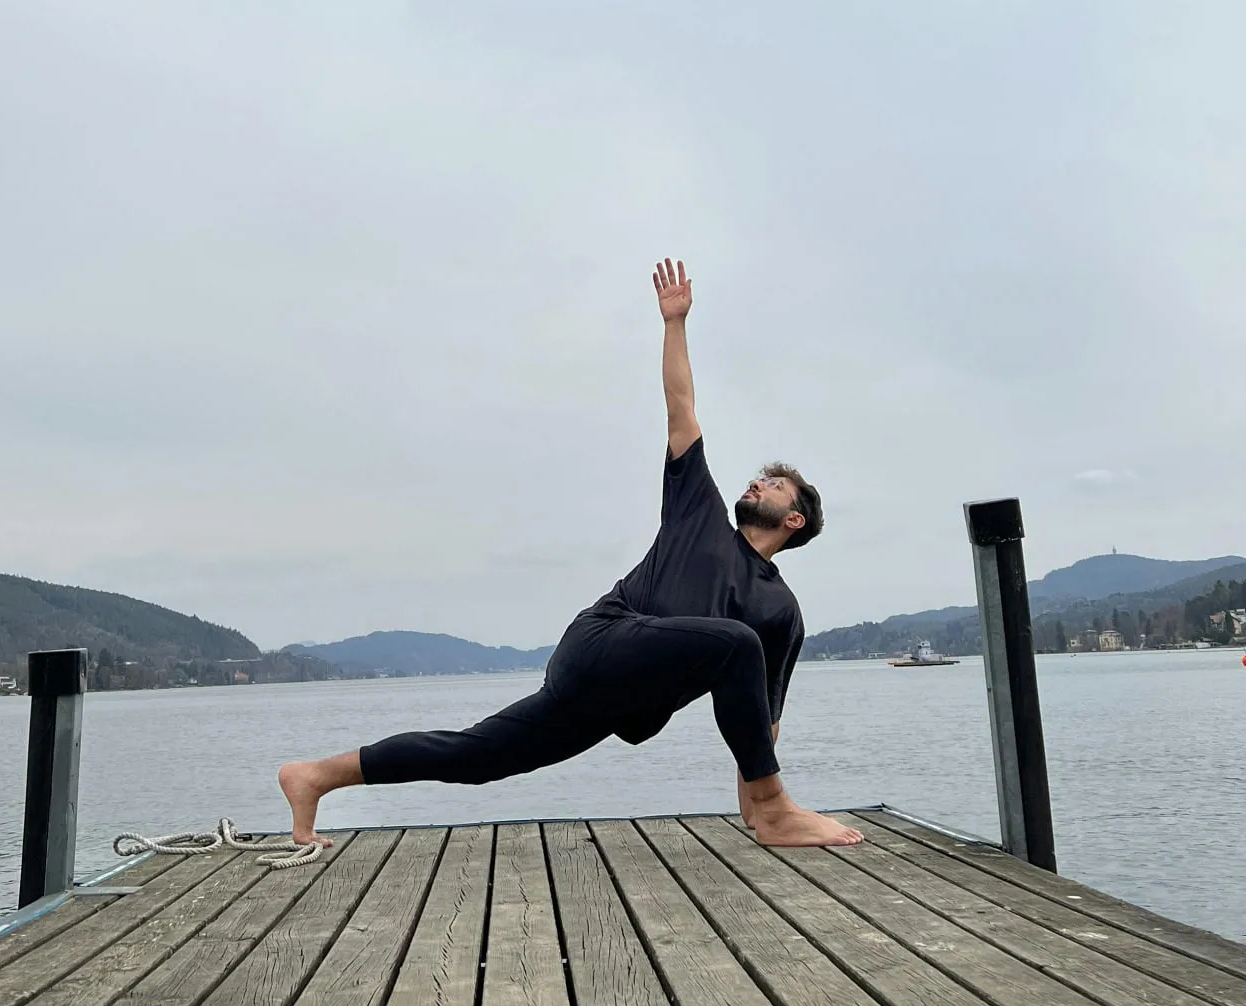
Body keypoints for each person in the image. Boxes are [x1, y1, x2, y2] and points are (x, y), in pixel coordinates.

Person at [278, 258, 863, 849]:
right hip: (601, 643)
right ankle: (773, 809)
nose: (756, 484)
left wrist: (755, 811)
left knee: (480, 756)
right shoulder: (699, 510)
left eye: (774, 485)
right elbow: (681, 405)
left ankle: (314, 778)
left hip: (611, 703)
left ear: (794, 520)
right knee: (733, 642)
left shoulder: (779, 610)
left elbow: (761, 721)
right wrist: (675, 323)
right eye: (758, 478)